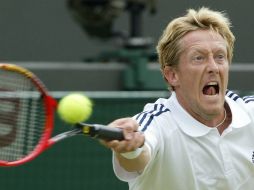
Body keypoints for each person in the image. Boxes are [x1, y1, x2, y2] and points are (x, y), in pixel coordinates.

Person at [102, 7, 254, 190]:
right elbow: (137, 156)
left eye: (220, 57)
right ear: (172, 75)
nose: (213, 67)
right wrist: (131, 148)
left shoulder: (249, 112)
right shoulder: (156, 123)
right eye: (199, 58)